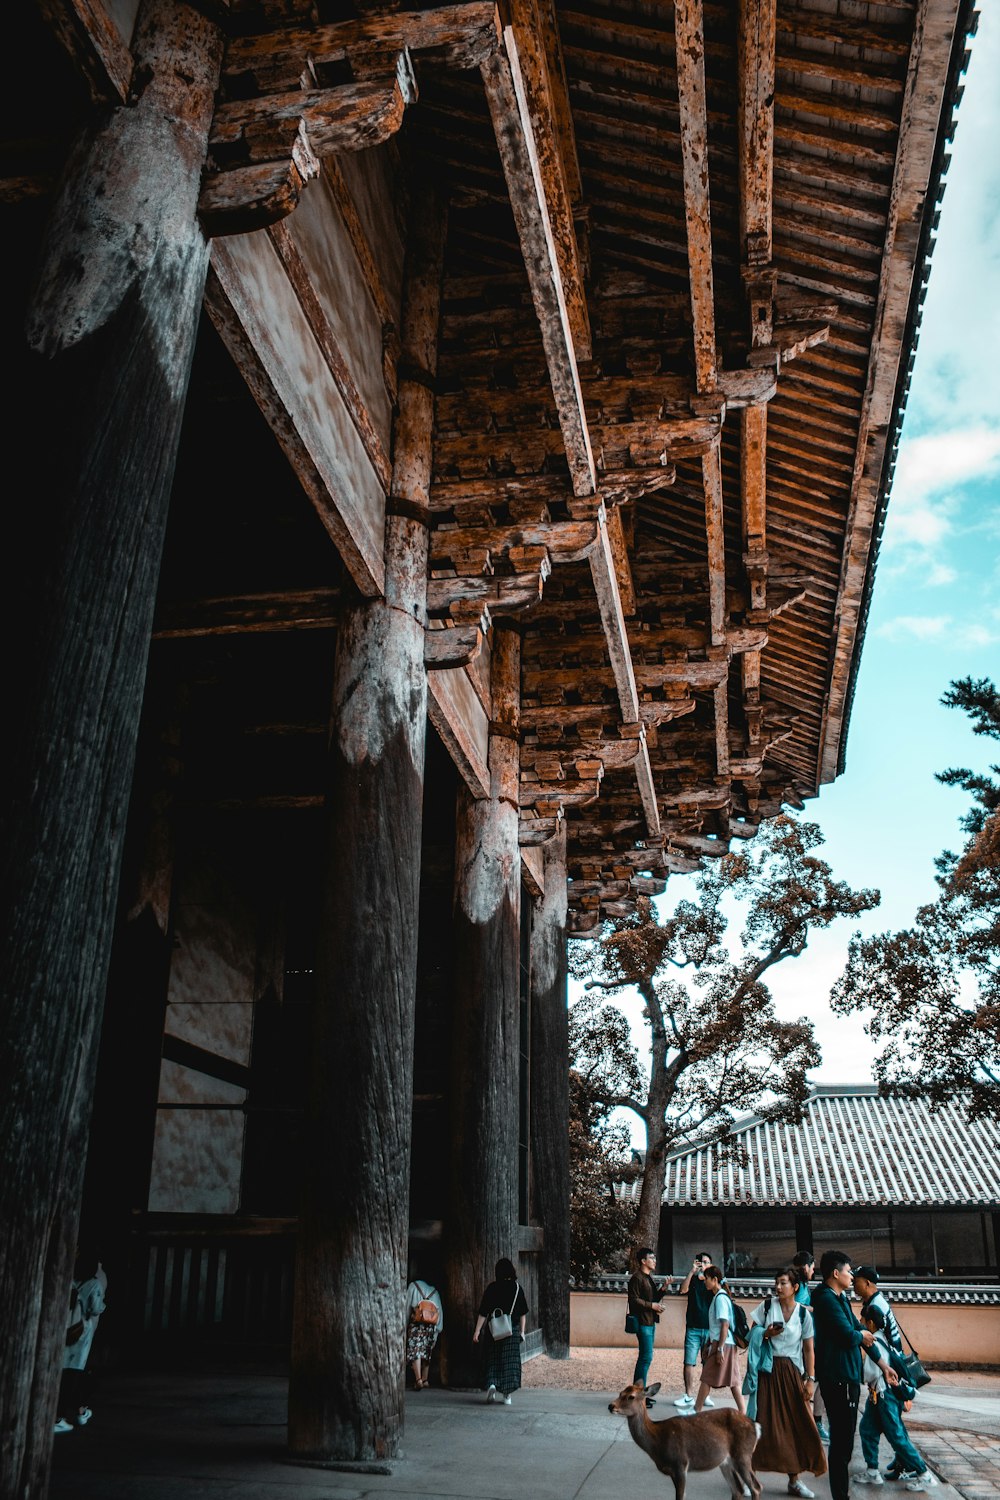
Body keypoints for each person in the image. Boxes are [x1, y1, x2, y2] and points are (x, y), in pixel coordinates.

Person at [812, 1251, 897, 1500]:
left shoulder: (839, 1299)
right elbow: (849, 1334)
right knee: (841, 1441)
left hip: (846, 1376)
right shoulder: (826, 1299)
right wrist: (860, 1335)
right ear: (835, 1273)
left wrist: (883, 1365)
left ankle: (842, 1493)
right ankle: (841, 1495)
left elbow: (858, 1331)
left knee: (846, 1440)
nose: (852, 1276)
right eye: (849, 1271)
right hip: (837, 1376)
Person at [749, 1267, 827, 1499]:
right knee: (760, 1423)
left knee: (798, 1424)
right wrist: (766, 1334)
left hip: (793, 1372)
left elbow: (809, 1349)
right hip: (768, 1370)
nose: (778, 1287)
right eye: (777, 1282)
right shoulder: (766, 1307)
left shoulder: (804, 1314)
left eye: (783, 1283)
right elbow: (751, 1335)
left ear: (795, 1287)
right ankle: (748, 1476)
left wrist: (810, 1379)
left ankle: (794, 1480)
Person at [854, 1307, 937, 1492]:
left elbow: (870, 1373)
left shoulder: (874, 1341)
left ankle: (924, 1474)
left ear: (871, 1323)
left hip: (885, 1397)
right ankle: (872, 1471)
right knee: (867, 1429)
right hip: (879, 1397)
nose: (860, 1321)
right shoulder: (884, 1338)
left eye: (862, 1318)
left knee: (897, 1438)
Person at [55, 1247, 107, 1433]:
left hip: (62, 1328)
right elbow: (95, 1308)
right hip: (80, 1331)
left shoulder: (68, 1279)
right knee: (74, 1374)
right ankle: (62, 1416)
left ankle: (78, 1411)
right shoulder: (94, 1284)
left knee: (61, 1372)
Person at [473, 1257, 528, 1405]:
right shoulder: (517, 1288)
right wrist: (522, 1331)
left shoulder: (492, 1288)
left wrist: (477, 1331)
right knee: (509, 1362)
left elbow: (483, 1312)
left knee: (492, 1358)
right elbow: (523, 1313)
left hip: (494, 1330)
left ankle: (492, 1384)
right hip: (512, 1330)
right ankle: (507, 1395)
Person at [694, 1264, 746, 1415]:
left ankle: (696, 1410)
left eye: (707, 1279)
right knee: (732, 1379)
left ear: (715, 1279)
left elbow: (725, 1324)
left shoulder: (720, 1298)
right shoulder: (720, 1296)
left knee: (707, 1377)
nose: (705, 1282)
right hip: (725, 1343)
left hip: (723, 1343)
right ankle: (742, 1411)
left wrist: (719, 1348)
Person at [793, 1251, 830, 1444]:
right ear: (805, 1266)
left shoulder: (805, 1284)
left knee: (815, 1381)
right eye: (812, 1267)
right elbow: (793, 1305)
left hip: (810, 1339)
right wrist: (814, 1309)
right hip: (802, 1342)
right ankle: (811, 1423)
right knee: (809, 1380)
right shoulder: (798, 1284)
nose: (813, 1270)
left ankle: (813, 1422)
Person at [674, 1251, 718, 1408]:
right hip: (693, 1327)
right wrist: (692, 1271)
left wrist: (712, 1275)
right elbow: (682, 1290)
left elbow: (723, 1293)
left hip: (709, 1329)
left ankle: (705, 1395)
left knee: (707, 1364)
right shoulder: (692, 1280)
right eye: (701, 1262)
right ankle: (688, 1395)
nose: (703, 1264)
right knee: (689, 1362)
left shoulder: (713, 1282)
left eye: (706, 1262)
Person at [627, 1246, 666, 1399]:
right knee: (645, 1358)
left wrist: (663, 1288)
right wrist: (652, 1306)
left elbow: (653, 1298)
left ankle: (638, 1393)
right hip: (643, 1322)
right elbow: (634, 1300)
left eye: (655, 1258)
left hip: (650, 1322)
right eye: (652, 1258)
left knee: (646, 1357)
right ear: (643, 1261)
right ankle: (637, 1394)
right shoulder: (637, 1277)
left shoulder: (648, 1277)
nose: (654, 1260)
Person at [405, 1273, 443, 1389]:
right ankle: (425, 1379)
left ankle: (418, 1380)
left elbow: (406, 1307)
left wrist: (405, 1325)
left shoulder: (412, 1286)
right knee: (427, 1350)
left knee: (415, 1350)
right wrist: (437, 1330)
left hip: (416, 1324)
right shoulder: (435, 1292)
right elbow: (439, 1313)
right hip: (430, 1325)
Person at [854, 1266, 902, 1355]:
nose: (853, 1284)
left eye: (856, 1281)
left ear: (867, 1283)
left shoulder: (876, 1306)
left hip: (887, 1356)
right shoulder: (873, 1301)